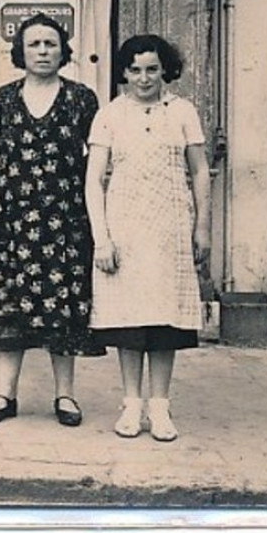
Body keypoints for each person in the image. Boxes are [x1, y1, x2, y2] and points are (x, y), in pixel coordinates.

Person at [0, 14, 104, 427]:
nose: (43, 51)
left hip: (64, 218)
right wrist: (19, 173)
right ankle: (4, 395)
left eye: (50, 44)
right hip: (12, 218)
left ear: (63, 51)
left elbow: (97, 156)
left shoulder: (82, 98)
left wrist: (62, 180)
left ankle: (65, 396)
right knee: (11, 303)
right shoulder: (5, 98)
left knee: (61, 304)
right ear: (21, 52)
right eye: (34, 45)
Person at [85, 34, 212, 443]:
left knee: (164, 319)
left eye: (152, 69)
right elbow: (93, 182)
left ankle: (160, 406)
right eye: (135, 70)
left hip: (170, 228)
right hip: (125, 228)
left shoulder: (183, 112)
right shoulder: (110, 115)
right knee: (130, 319)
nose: (144, 78)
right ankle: (131, 403)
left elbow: (199, 172)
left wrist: (202, 227)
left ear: (164, 70)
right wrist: (101, 238)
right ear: (123, 71)